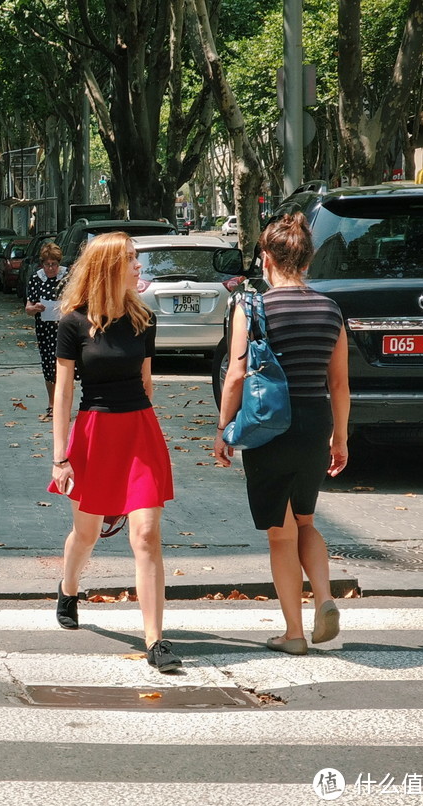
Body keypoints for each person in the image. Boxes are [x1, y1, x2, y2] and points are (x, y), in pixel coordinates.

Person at [213, 213, 350, 656]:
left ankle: (293, 633)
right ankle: (326, 597)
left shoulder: (252, 307)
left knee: (280, 532)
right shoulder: (330, 310)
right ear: (307, 260)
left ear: (266, 258)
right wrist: (341, 438)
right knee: (306, 518)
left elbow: (235, 374)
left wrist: (223, 430)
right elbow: (340, 385)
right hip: (315, 424)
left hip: (269, 424)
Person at [47, 231, 180, 673]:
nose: (139, 267)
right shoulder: (72, 323)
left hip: (138, 432)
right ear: (108, 267)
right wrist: (60, 457)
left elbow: (146, 384)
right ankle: (69, 588)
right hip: (94, 434)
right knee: (85, 535)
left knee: (145, 535)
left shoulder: (145, 318)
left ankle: (156, 641)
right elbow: (63, 395)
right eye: (132, 260)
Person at [24, 242, 68, 423]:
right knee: (49, 366)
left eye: (54, 264)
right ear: (42, 264)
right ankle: (52, 404)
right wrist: (35, 307)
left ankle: (63, 405)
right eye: (47, 264)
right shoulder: (36, 279)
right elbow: (28, 308)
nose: (51, 268)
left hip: (65, 328)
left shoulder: (67, 278)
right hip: (45, 330)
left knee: (66, 366)